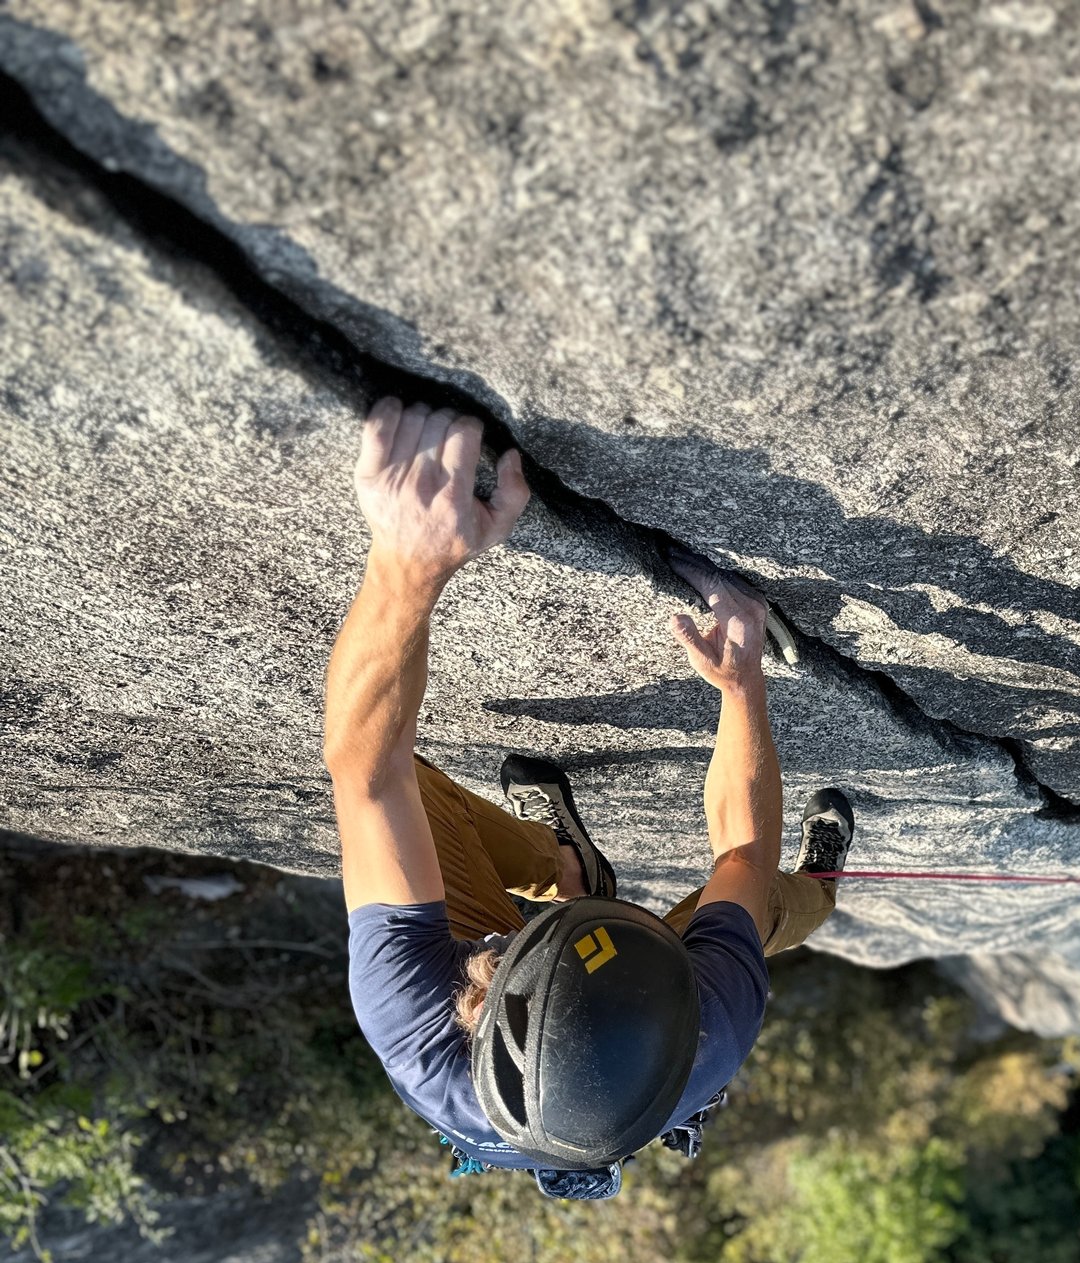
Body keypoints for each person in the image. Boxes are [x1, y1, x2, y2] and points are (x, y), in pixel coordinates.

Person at [323, 396, 854, 1200]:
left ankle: (565, 869)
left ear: (479, 994)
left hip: (544, 1034)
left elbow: (368, 771)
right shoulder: (706, 1034)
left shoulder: (416, 1020)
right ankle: (817, 890)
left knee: (413, 789)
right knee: (769, 896)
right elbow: (742, 857)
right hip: (644, 1018)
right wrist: (742, 688)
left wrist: (406, 567)